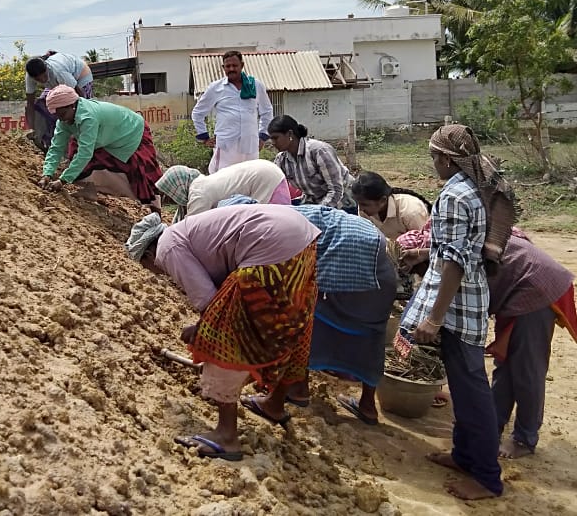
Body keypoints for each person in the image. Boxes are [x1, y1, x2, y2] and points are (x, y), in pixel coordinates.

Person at [125, 205, 320, 461]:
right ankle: (274, 404)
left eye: (147, 266)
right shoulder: (188, 232)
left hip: (271, 245)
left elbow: (210, 302)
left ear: (149, 254)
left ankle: (226, 435)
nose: (156, 272)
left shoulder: (167, 247)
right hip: (301, 240)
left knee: (222, 339)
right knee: (284, 326)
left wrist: (202, 330)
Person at [400, 123, 516, 501]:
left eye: (435, 157)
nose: (433, 163)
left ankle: (485, 477)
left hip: (457, 307)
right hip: (468, 301)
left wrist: (434, 318)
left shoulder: (453, 196)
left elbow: (454, 261)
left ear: (448, 160)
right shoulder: (472, 189)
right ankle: (464, 456)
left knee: (471, 393)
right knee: (465, 387)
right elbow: (455, 250)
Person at [285, 204, 396, 425]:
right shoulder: (305, 213)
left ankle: (298, 388)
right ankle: (367, 405)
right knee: (372, 337)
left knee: (308, 320)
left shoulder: (280, 224)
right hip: (382, 277)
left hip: (348, 272)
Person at [487, 232, 577, 460]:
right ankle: (493, 425)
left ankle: (525, 438)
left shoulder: (456, 247)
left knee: (527, 368)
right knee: (506, 362)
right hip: (519, 288)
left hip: (536, 289)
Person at [39, 85, 162, 207]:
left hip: (132, 132)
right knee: (75, 155)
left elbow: (85, 153)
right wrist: (47, 174)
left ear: (72, 106)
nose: (61, 119)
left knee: (141, 174)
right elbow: (56, 147)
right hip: (106, 136)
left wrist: (63, 180)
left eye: (63, 114)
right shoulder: (64, 120)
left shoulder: (88, 117)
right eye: (58, 116)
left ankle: (154, 210)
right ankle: (90, 188)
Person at [191, 51, 273, 173]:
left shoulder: (255, 85)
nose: (231, 69)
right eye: (228, 66)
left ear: (242, 65)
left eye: (235, 66)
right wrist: (204, 138)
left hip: (250, 146)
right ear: (223, 68)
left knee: (250, 181)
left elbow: (267, 112)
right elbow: (198, 113)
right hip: (226, 147)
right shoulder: (216, 88)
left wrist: (262, 137)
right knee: (222, 183)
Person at [267, 115, 355, 211]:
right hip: (315, 201)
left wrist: (318, 213)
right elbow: (274, 187)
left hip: (343, 201)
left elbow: (336, 190)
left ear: (290, 134)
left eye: (276, 138)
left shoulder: (318, 151)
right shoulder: (281, 160)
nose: (273, 142)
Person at [155, 159, 291, 221]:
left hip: (266, 180)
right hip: (271, 173)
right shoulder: (202, 183)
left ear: (177, 188)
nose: (171, 199)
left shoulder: (199, 193)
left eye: (170, 194)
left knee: (269, 227)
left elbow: (191, 228)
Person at [24, 52, 94, 150]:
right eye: (38, 79)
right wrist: (31, 129)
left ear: (46, 69)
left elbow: (78, 95)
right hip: (55, 83)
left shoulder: (58, 71)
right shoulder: (30, 77)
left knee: (80, 111)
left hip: (80, 77)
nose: (42, 80)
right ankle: (49, 142)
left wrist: (83, 113)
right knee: (43, 105)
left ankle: (80, 143)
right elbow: (30, 104)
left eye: (44, 76)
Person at [352, 171, 432, 240]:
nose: (361, 208)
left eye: (364, 204)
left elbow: (424, 243)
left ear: (383, 200)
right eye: (358, 203)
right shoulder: (365, 211)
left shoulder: (411, 211)